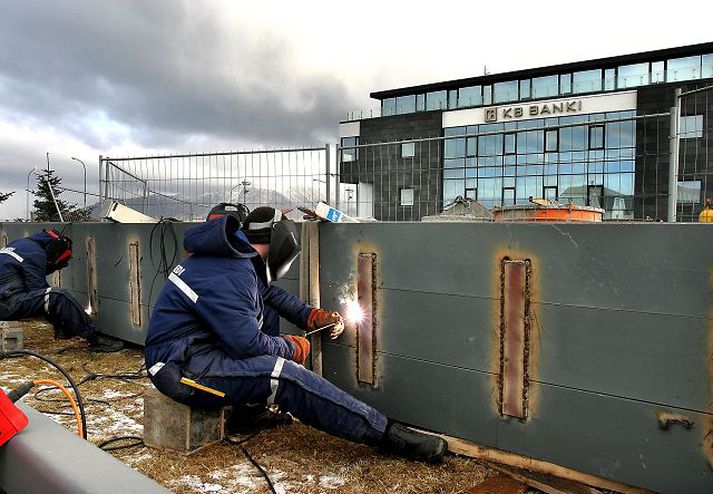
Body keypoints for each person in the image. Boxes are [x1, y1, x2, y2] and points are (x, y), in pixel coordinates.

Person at [145, 208, 447, 462]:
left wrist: (312, 316)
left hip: (191, 352)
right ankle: (387, 434)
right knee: (285, 375)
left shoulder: (230, 261)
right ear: (280, 243)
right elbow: (247, 344)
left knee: (267, 311)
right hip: (181, 368)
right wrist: (291, 347)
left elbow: (269, 295)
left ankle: (248, 414)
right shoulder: (231, 273)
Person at [0, 229, 123, 353]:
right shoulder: (35, 253)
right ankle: (94, 339)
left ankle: (64, 330)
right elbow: (39, 290)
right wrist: (65, 316)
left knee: (49, 297)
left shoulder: (19, 245)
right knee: (58, 296)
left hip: (5, 297)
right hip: (5, 304)